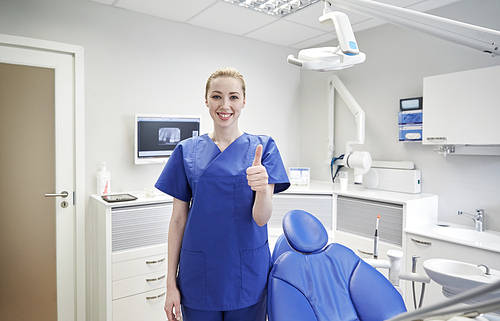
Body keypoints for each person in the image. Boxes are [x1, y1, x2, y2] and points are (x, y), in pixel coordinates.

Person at [155, 67, 290, 321]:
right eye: (216, 96)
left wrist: (262, 190)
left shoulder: (264, 148)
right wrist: (170, 284)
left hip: (247, 274)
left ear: (244, 101)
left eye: (233, 97)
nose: (225, 104)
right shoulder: (187, 151)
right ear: (206, 100)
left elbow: (261, 218)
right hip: (199, 275)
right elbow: (177, 220)